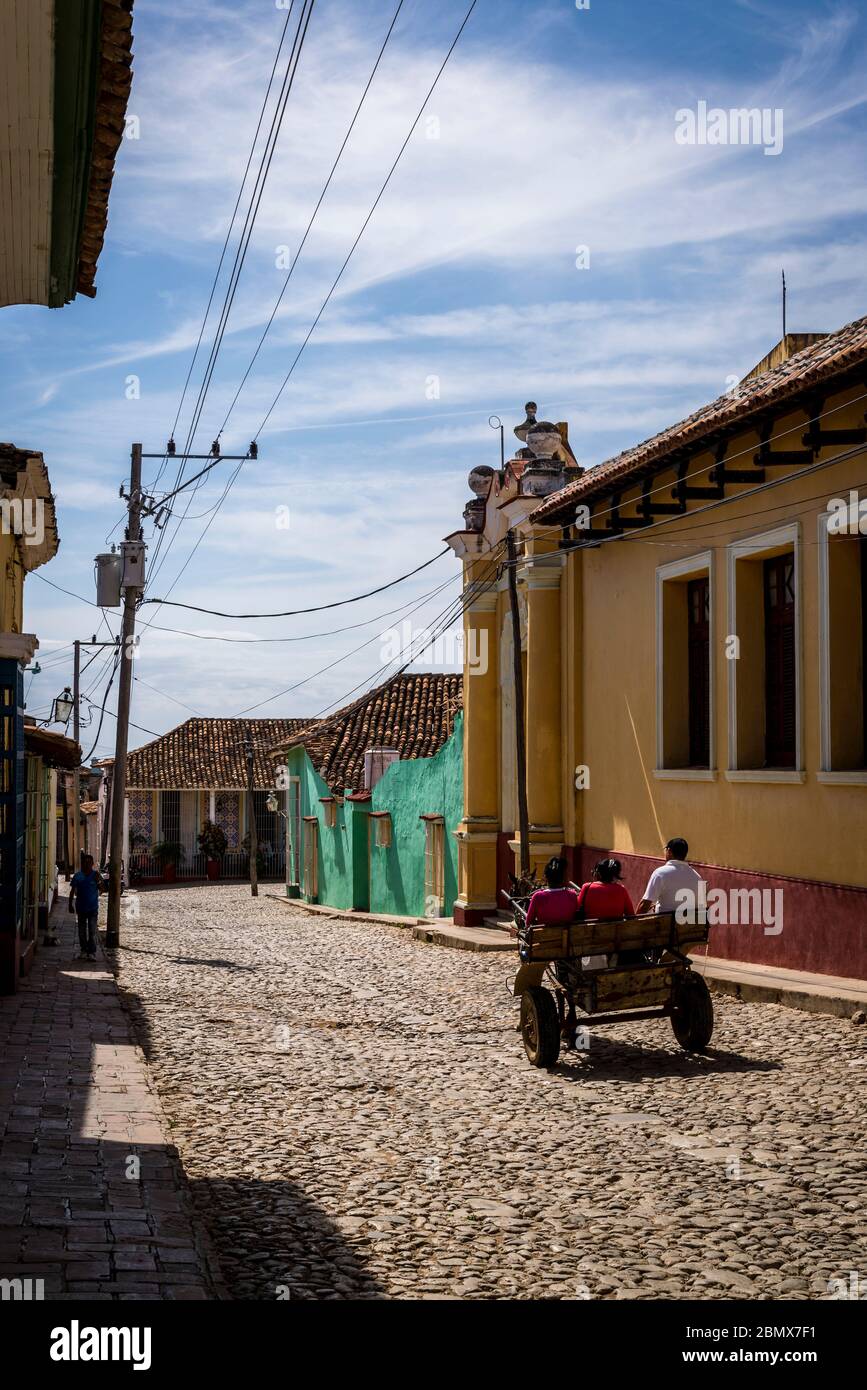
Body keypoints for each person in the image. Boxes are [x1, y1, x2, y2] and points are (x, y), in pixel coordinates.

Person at [636, 837, 704, 916]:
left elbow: (645, 905)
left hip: (666, 925)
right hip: (690, 925)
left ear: (669, 851)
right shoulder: (698, 877)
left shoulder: (660, 873)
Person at [525, 856, 580, 926]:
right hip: (569, 933)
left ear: (546, 878)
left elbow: (528, 922)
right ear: (563, 878)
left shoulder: (538, 896)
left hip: (544, 935)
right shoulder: (572, 894)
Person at [69, 854, 103, 960]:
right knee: (81, 931)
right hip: (81, 908)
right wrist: (70, 904)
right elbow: (72, 891)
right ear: (82, 864)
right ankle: (83, 950)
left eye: (89, 862)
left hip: (93, 908)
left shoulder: (95, 875)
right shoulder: (77, 876)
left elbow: (103, 888)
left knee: (92, 931)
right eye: (85, 862)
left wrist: (99, 883)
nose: (87, 864)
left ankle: (92, 952)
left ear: (92, 864)